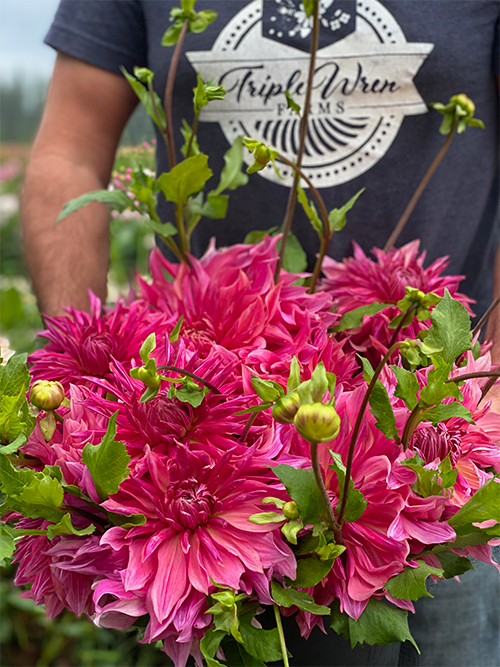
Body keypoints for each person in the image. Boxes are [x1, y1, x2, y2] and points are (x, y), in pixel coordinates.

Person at [20, 1, 500, 666]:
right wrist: (79, 371)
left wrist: (488, 388)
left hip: (431, 454)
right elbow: (68, 153)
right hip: (193, 438)